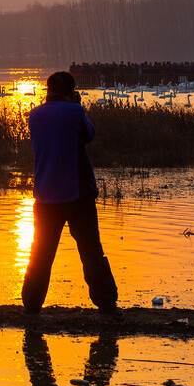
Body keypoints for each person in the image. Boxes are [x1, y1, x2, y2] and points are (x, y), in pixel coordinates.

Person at [22, 71, 119, 315]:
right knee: (91, 251)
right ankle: (107, 304)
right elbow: (89, 135)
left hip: (45, 196)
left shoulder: (34, 115)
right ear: (70, 91)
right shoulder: (75, 112)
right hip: (78, 195)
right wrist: (78, 107)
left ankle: (31, 305)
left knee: (41, 252)